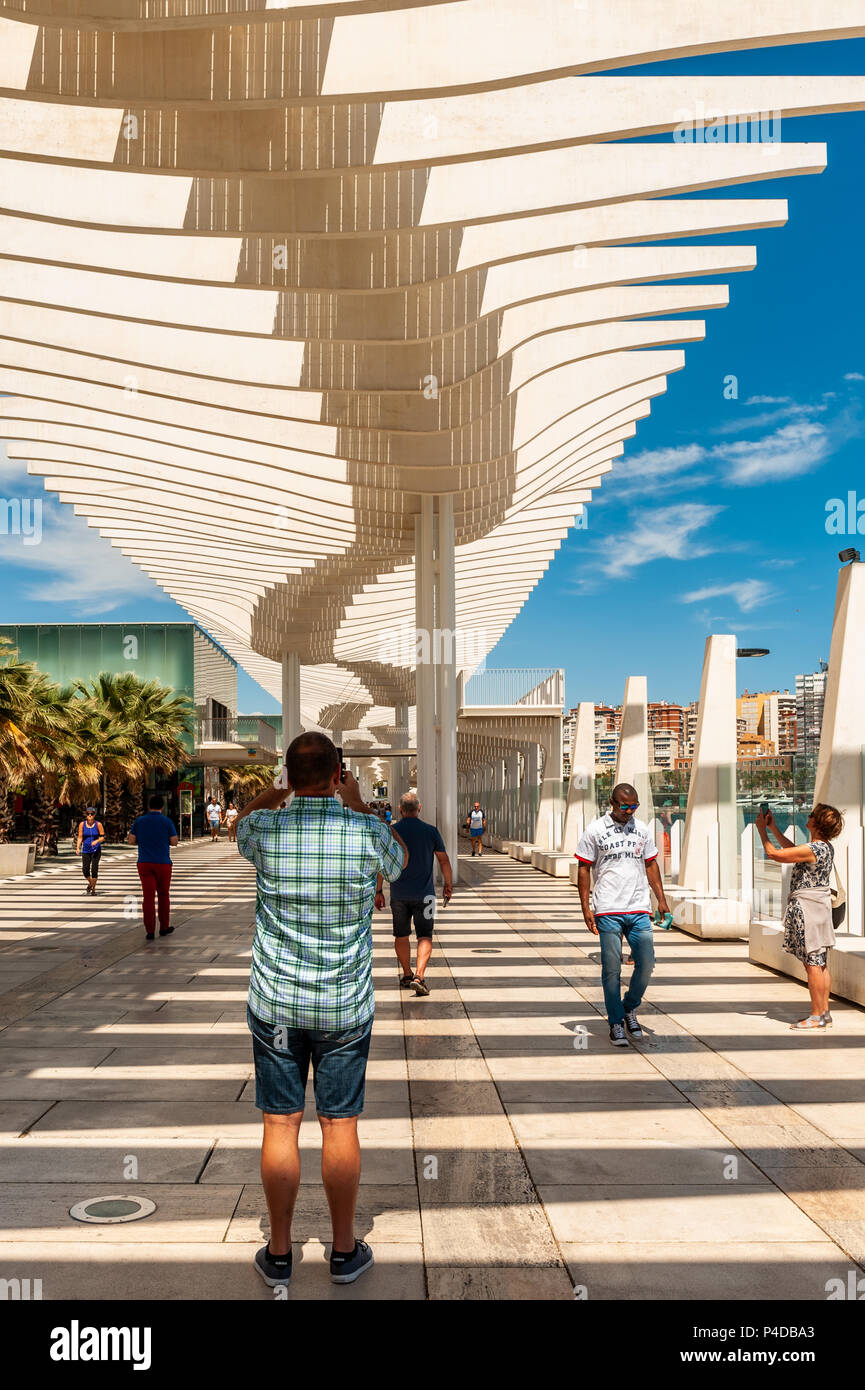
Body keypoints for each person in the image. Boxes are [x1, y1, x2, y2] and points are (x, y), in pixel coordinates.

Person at [236, 732, 408, 1290]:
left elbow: (240, 822)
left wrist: (273, 791)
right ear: (339, 774)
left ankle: (280, 1252)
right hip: (342, 1008)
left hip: (277, 1005)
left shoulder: (266, 829)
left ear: (289, 776)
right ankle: (342, 1250)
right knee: (340, 1124)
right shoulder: (364, 832)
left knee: (280, 1124)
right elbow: (400, 863)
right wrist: (357, 802)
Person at [575, 782, 671, 1047]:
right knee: (612, 969)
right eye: (625, 806)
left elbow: (650, 864)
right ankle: (616, 1022)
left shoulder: (642, 829)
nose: (629, 811)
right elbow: (583, 868)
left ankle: (629, 1007)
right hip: (607, 908)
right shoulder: (595, 830)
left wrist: (661, 899)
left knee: (647, 962)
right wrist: (586, 908)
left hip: (639, 906)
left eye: (634, 806)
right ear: (612, 803)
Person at [757, 803, 843, 1029]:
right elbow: (794, 851)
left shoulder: (814, 849)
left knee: (812, 963)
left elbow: (775, 854)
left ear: (817, 822)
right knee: (819, 962)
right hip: (819, 908)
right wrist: (774, 829)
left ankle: (816, 1016)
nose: (809, 816)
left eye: (812, 815)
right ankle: (824, 1012)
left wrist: (762, 830)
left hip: (807, 909)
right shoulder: (822, 847)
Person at [374, 791, 452, 996]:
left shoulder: (391, 831)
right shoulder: (431, 831)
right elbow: (444, 860)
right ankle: (419, 975)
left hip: (399, 895)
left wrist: (379, 891)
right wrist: (448, 884)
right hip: (426, 895)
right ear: (419, 809)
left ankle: (407, 974)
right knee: (425, 935)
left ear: (399, 809)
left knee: (401, 935)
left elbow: (382, 865)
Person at [128, 794, 179, 941]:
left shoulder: (140, 821)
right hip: (163, 863)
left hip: (144, 862)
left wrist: (144, 841)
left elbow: (131, 841)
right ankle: (164, 927)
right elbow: (174, 842)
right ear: (162, 807)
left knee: (148, 897)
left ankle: (150, 931)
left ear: (149, 806)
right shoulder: (167, 821)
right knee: (163, 895)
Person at [76, 806, 105, 896]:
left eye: (91, 814)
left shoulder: (98, 824)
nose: (90, 815)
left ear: (94, 815)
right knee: (85, 870)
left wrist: (97, 841)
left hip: (96, 850)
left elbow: (103, 837)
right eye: (88, 814)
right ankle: (91, 883)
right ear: (86, 815)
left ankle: (93, 889)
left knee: (94, 869)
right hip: (86, 850)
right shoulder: (82, 824)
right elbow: (80, 837)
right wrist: (78, 847)